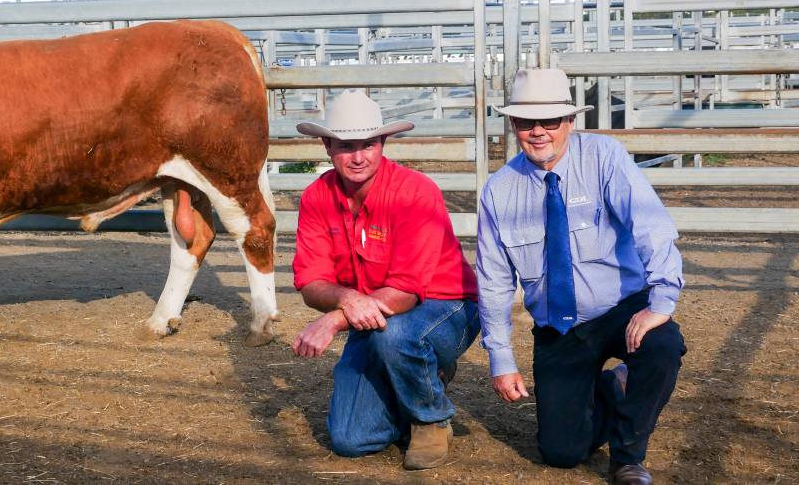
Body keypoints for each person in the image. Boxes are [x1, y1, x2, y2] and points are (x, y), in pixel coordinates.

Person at [475, 68, 687, 485]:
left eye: (550, 121)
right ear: (513, 125)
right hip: (559, 327)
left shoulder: (604, 157)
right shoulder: (498, 190)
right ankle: (613, 388)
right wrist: (501, 358)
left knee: (662, 345)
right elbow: (493, 279)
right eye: (525, 122)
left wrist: (661, 301)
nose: (538, 132)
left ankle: (628, 458)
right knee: (561, 452)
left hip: (620, 308)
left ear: (570, 122)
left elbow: (651, 225)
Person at [290, 90, 479, 470]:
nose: (358, 157)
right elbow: (311, 281)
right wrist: (348, 300)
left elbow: (407, 293)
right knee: (350, 439)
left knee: (396, 336)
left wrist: (335, 317)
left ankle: (431, 417)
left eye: (368, 144)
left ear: (383, 143)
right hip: (371, 313)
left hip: (445, 306)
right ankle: (421, 376)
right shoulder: (316, 197)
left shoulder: (415, 192)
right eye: (346, 146)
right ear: (327, 145)